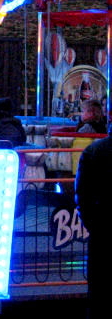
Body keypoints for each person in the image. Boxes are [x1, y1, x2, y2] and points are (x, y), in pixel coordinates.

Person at [75, 133, 112, 319]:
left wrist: (93, 225)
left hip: (103, 232)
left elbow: (82, 195)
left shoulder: (93, 151)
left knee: (99, 295)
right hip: (101, 228)